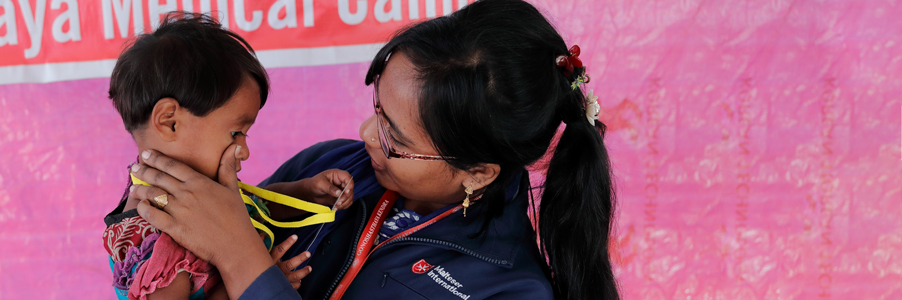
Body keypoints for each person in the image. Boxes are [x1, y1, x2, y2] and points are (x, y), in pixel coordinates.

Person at [125, 0, 620, 299]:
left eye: (394, 138)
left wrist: (241, 257)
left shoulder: (505, 290)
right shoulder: (332, 164)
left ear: (479, 173)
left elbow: (230, 246)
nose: (364, 134)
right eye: (378, 109)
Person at [102, 13, 355, 300]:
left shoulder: (187, 194)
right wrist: (262, 279)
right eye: (236, 132)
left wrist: (305, 192)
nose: (243, 150)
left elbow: (244, 208)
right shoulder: (157, 234)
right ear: (169, 121)